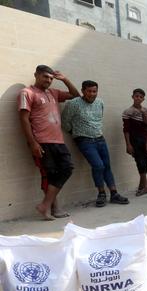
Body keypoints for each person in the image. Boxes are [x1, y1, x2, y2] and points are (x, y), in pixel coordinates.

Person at [18, 65, 79, 220]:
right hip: (41, 142)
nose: (49, 80)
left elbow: (75, 95)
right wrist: (33, 143)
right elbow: (24, 119)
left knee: (67, 168)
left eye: (51, 78)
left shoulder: (53, 93)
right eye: (45, 76)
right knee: (49, 175)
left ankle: (45, 205)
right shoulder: (27, 93)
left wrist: (64, 79)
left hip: (58, 141)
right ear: (36, 75)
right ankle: (52, 208)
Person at [62, 80, 129, 207]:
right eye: (89, 91)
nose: (92, 94)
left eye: (95, 91)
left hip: (100, 138)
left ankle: (114, 193)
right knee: (98, 166)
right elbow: (65, 122)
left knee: (107, 166)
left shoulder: (100, 102)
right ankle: (101, 194)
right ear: (82, 91)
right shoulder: (73, 104)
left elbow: (99, 119)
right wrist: (76, 132)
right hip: (84, 140)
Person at [122, 88, 147, 196]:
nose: (138, 98)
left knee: (146, 161)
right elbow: (126, 130)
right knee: (140, 161)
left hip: (146, 140)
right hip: (135, 140)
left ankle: (141, 187)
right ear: (132, 97)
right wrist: (128, 144)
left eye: (140, 97)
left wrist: (143, 113)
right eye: (136, 96)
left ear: (143, 99)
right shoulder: (127, 112)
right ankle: (146, 186)